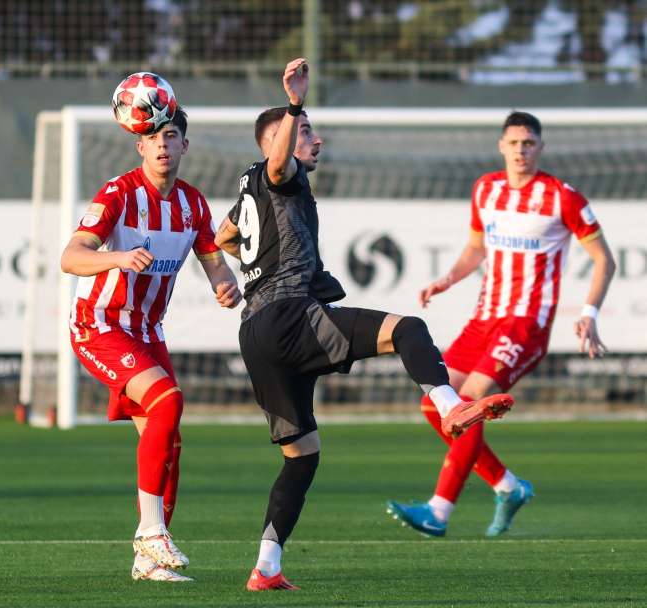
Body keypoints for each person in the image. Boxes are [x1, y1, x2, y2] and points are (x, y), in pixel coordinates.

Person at [213, 58, 515, 592]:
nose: (315, 138)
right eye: (305, 132)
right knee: (408, 329)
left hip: (255, 334)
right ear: (275, 139)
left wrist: (245, 270)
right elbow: (279, 166)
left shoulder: (248, 191)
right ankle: (451, 408)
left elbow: (223, 237)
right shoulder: (278, 174)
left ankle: (265, 566)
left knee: (301, 457)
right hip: (289, 318)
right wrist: (294, 104)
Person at [386, 111, 616, 538]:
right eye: (514, 143)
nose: (521, 151)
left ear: (540, 148)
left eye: (529, 143)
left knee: (470, 401)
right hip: (483, 318)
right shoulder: (486, 189)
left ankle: (438, 510)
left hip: (526, 322)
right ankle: (508, 487)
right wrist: (447, 280)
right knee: (435, 402)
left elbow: (605, 259)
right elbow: (475, 248)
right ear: (501, 146)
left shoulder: (562, 197)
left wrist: (589, 314)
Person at [60, 107, 242, 582]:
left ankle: (147, 560)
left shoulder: (194, 205)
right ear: (139, 146)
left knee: (171, 443)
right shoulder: (118, 194)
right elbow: (70, 257)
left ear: (185, 146)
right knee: (168, 401)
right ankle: (151, 532)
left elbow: (215, 264)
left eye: (172, 136)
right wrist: (117, 257)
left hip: (147, 331)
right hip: (99, 324)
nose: (163, 145)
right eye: (154, 139)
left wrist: (226, 286)